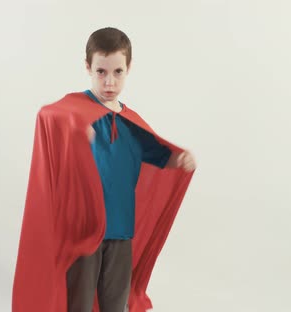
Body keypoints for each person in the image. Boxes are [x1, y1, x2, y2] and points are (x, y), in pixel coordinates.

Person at [12, 27, 196, 312]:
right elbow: (48, 116)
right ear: (88, 67)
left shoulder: (131, 123)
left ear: (128, 69)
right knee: (80, 304)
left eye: (117, 72)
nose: (109, 81)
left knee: (114, 304)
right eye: (101, 72)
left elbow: (161, 156)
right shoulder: (73, 110)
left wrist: (181, 160)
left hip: (121, 232)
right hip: (83, 234)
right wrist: (72, 133)